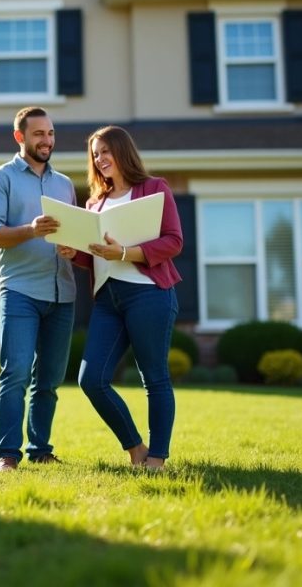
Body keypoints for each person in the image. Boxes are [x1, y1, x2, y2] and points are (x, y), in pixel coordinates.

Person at [55, 125, 183, 472]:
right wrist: (73, 253)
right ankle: (136, 448)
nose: (100, 160)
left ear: (122, 151)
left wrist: (125, 252)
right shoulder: (94, 202)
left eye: (105, 152)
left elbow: (173, 241)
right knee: (90, 379)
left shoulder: (155, 189)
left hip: (149, 295)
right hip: (108, 300)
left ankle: (157, 457)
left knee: (154, 377)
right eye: (95, 155)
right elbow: (95, 257)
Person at [0, 106, 77, 473]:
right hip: (19, 290)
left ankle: (41, 449)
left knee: (49, 380)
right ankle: (7, 455)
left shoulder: (64, 184)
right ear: (20, 137)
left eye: (50, 133)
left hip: (62, 292)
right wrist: (30, 230)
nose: (47, 140)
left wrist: (74, 247)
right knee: (16, 371)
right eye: (39, 134)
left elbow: (76, 233)